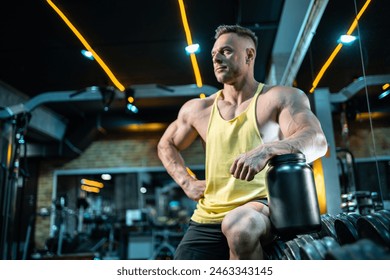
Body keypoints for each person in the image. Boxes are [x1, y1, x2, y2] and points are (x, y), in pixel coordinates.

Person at [157, 24, 327, 260]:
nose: (216, 58)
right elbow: (166, 145)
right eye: (214, 54)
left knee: (239, 228)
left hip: (259, 207)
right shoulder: (198, 109)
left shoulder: (279, 98)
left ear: (249, 55)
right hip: (208, 215)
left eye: (225, 51)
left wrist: (267, 150)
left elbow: (317, 141)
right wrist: (186, 182)